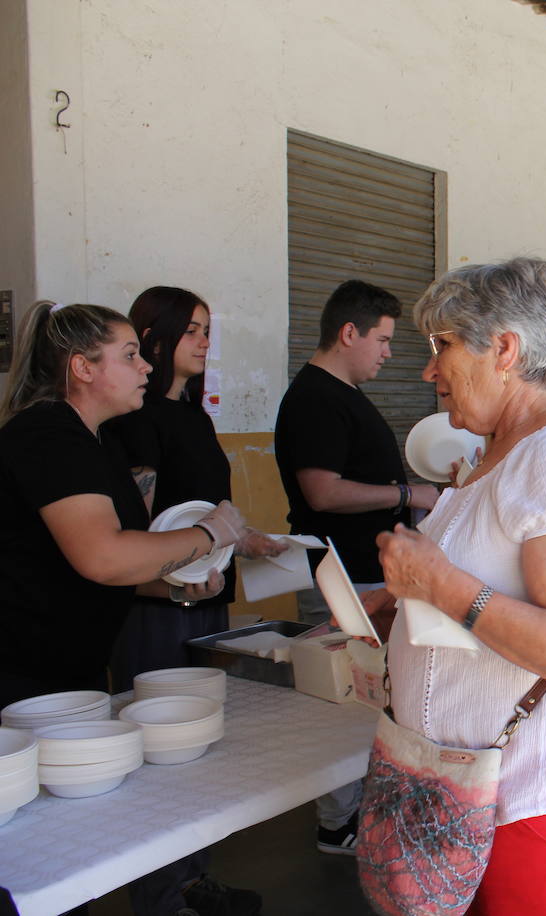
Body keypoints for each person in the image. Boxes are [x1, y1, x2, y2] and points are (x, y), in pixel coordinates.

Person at [364, 258, 546, 914]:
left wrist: (440, 584)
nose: (430, 370)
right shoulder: (500, 452)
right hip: (479, 790)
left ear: (505, 349)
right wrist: (400, 601)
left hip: (544, 797)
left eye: (444, 346)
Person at [0, 301, 259, 916]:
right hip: (20, 671)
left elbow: (100, 563)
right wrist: (212, 535)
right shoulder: (47, 434)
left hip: (68, 670)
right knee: (26, 846)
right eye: (129, 355)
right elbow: (102, 557)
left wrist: (168, 583)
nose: (146, 366)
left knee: (61, 837)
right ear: (82, 368)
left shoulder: (92, 439)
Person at [273, 279, 439, 855]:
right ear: (350, 333)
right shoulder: (315, 398)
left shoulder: (340, 393)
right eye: (385, 340)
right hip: (344, 575)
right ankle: (336, 824)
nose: (390, 353)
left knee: (367, 701)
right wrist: (407, 496)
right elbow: (322, 493)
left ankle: (354, 815)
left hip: (368, 572)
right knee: (343, 704)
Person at [107, 287, 285, 690]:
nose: (205, 342)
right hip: (156, 606)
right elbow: (136, 523)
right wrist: (169, 581)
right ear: (153, 339)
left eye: (206, 331)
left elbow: (201, 507)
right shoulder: (138, 417)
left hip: (208, 594)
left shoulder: (195, 416)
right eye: (192, 331)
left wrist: (245, 540)